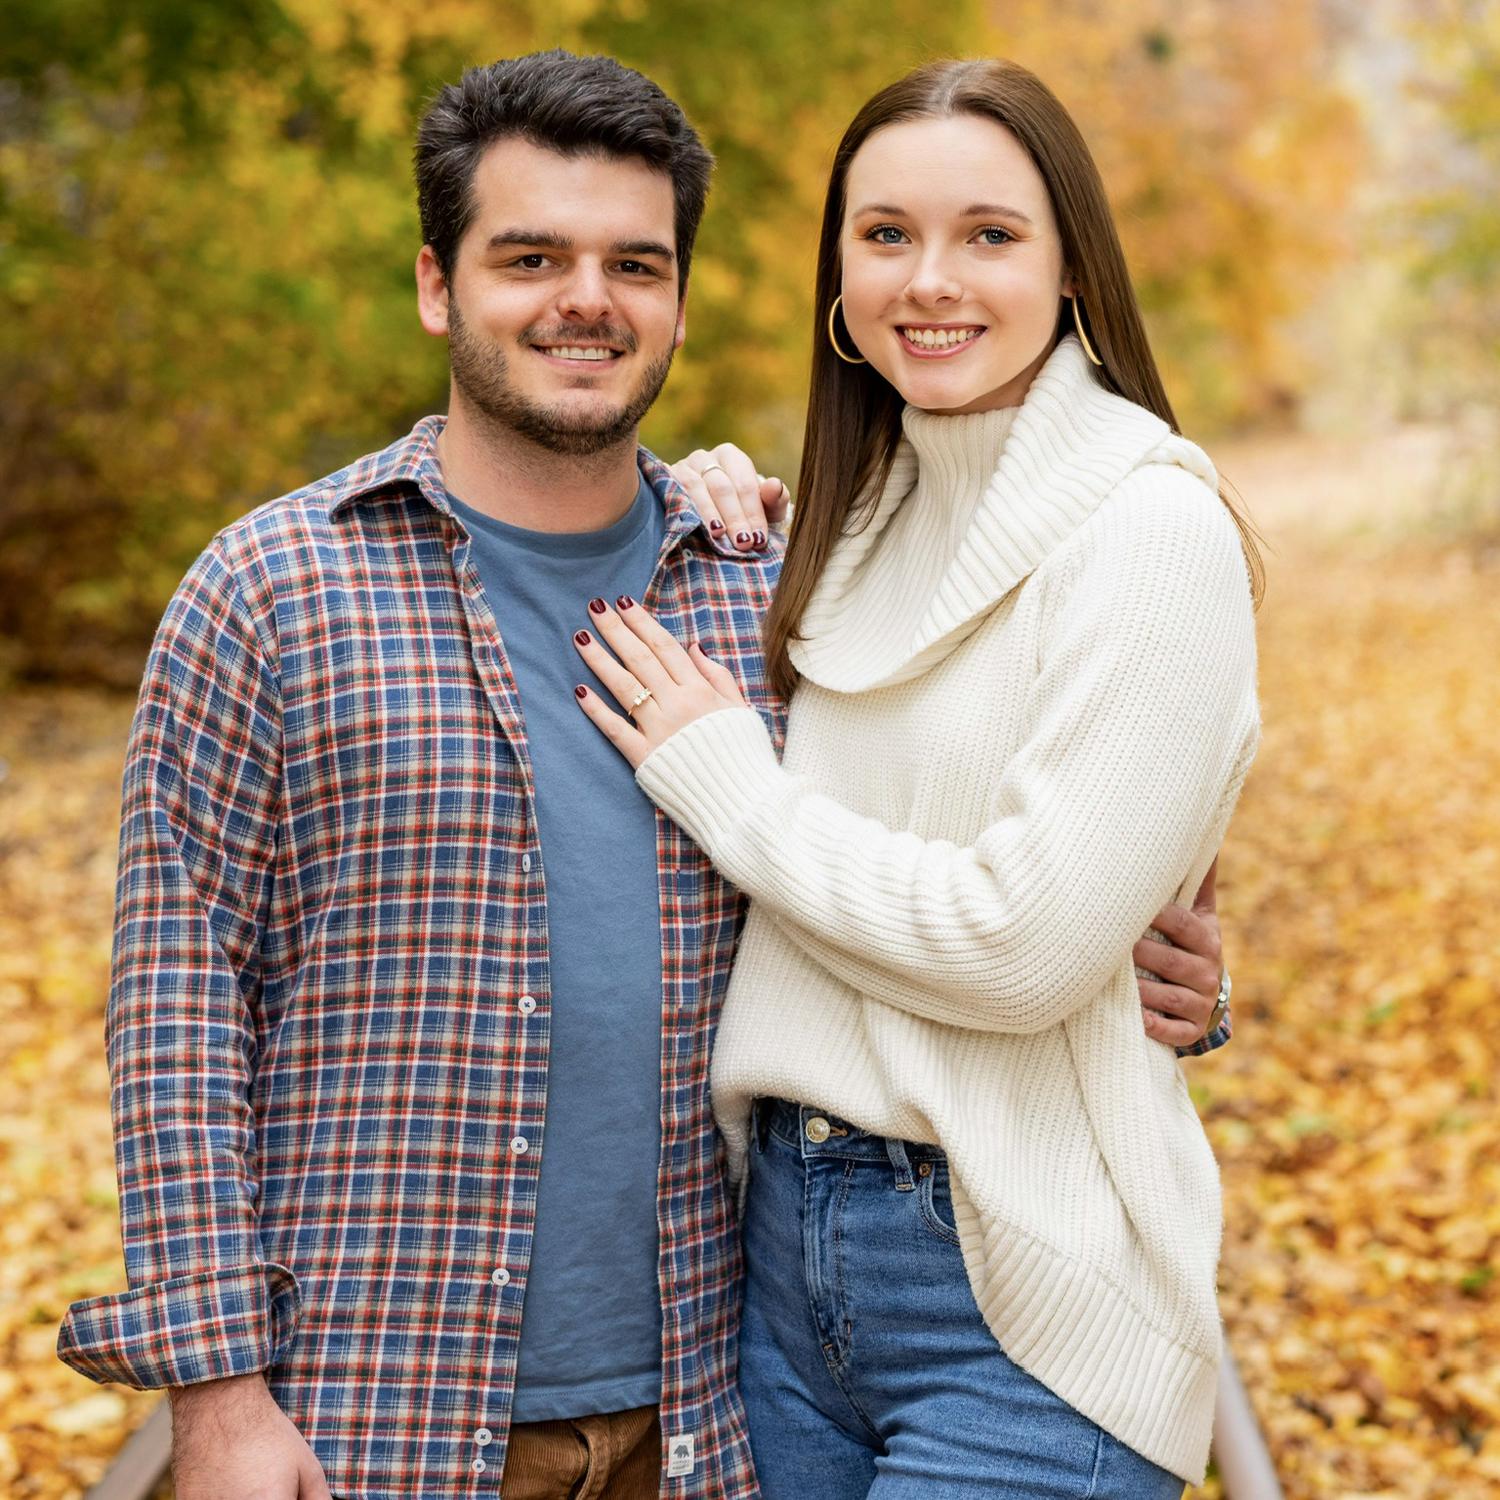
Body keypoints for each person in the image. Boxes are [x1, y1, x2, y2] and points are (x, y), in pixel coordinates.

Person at [56, 48, 1231, 1500]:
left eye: (635, 262)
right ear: (438, 285)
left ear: (679, 295)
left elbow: (973, 850)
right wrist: (217, 1400)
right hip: (375, 1413)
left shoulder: (764, 590)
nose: (586, 301)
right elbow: (174, 1004)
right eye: (529, 257)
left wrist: (1175, 969)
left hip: (714, 1411)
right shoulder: (274, 590)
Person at [574, 57, 1260, 1499]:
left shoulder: (1146, 529)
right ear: (835, 268)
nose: (929, 280)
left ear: (1072, 266)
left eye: (989, 236)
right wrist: (689, 504)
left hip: (1020, 1289)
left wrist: (735, 791)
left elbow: (1022, 946)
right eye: (885, 234)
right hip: (779, 1279)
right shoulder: (850, 518)